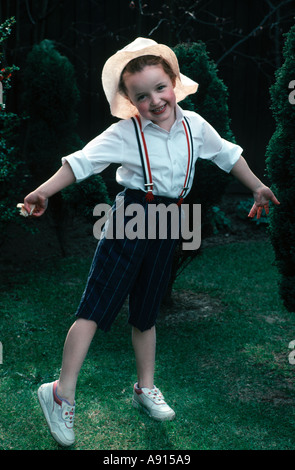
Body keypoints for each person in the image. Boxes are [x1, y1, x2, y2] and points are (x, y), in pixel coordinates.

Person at [21, 38, 279, 447]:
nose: (155, 100)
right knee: (96, 306)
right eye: (142, 95)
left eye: (160, 88)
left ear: (174, 82)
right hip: (129, 218)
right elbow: (80, 161)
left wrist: (259, 187)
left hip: (171, 219)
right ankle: (60, 392)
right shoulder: (125, 133)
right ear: (130, 101)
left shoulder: (195, 125)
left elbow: (229, 156)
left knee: (147, 310)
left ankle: (145, 388)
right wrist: (43, 191)